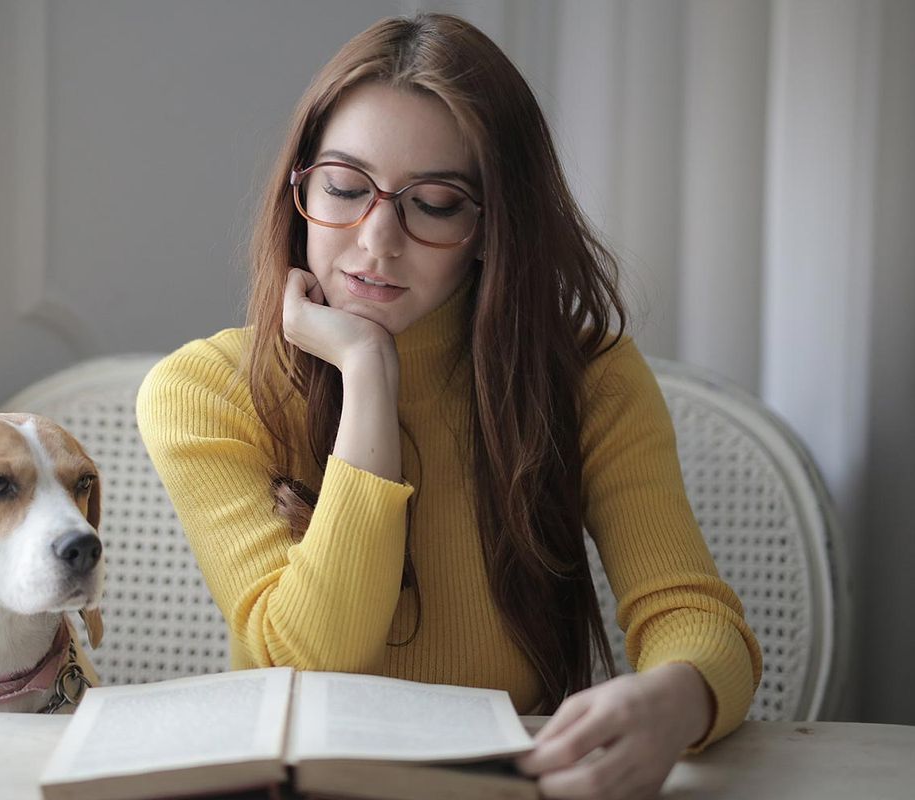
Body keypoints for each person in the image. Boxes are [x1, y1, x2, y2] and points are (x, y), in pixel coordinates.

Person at [137, 12, 761, 799]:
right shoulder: (205, 392)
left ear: (492, 227)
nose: (376, 240)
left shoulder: (586, 377)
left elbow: (690, 611)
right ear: (300, 189)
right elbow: (309, 662)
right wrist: (369, 371)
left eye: (433, 204)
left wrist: (677, 699)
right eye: (343, 187)